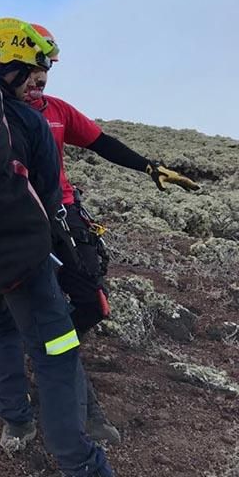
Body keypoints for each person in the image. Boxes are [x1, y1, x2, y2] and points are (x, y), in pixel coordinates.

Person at [23, 22, 200, 442]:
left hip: (65, 216)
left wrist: (149, 167)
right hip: (21, 219)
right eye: (33, 65)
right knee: (44, 307)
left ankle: (53, 356)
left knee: (92, 304)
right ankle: (75, 398)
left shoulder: (58, 111)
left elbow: (102, 142)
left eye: (46, 66)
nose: (41, 75)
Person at [0, 18, 113, 477]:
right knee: (58, 348)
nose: (41, 80)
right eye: (36, 69)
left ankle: (15, 421)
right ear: (9, 65)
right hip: (25, 253)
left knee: (1, 331)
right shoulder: (29, 120)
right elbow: (48, 199)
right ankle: (81, 461)